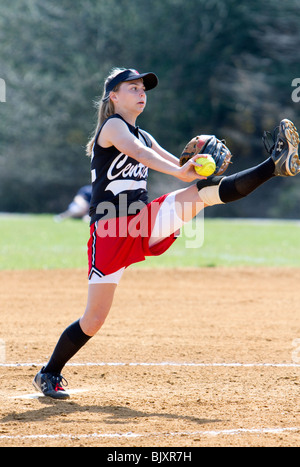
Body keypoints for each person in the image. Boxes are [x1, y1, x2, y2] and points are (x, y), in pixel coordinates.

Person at [33, 67, 300, 399]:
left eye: (143, 88)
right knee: (93, 320)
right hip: (111, 228)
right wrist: (180, 170)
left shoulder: (144, 134)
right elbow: (141, 155)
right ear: (113, 96)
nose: (141, 92)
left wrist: (200, 166)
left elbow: (177, 167)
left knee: (205, 192)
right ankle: (49, 373)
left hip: (143, 220)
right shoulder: (113, 126)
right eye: (132, 87)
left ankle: (273, 166)